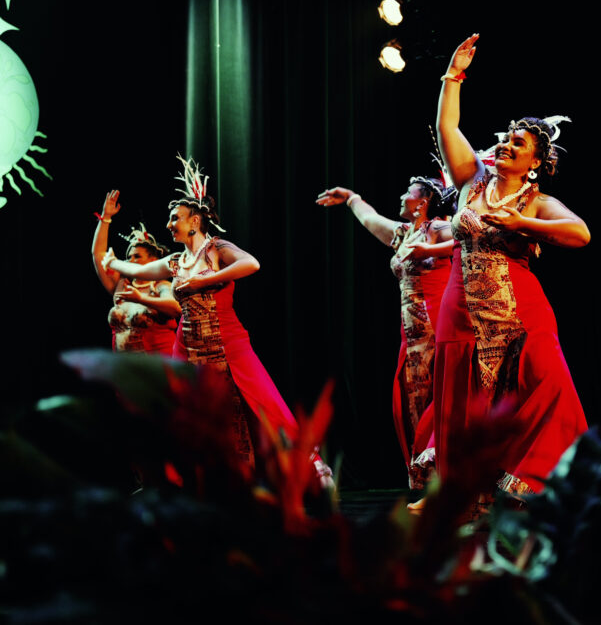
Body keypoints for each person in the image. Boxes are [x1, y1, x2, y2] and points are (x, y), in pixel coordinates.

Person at [434, 34, 590, 498]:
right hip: (462, 305)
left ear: (535, 161)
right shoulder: (471, 179)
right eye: (504, 138)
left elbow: (580, 234)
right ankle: (464, 496)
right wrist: (453, 75)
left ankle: (539, 480)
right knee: (463, 400)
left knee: (548, 383)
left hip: (521, 310)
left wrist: (523, 223)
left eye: (516, 143)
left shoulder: (537, 202)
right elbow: (447, 127)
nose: (504, 144)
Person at [103, 158, 302, 468]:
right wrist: (111, 262)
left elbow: (251, 264)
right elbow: (135, 269)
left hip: (226, 341)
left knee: (261, 404)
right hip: (189, 348)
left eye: (175, 218)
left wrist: (205, 280)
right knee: (187, 416)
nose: (169, 224)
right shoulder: (175, 262)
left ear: (194, 220)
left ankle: (301, 467)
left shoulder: (215, 249)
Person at [316, 177, 455, 490]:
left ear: (423, 202)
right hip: (412, 334)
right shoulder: (404, 233)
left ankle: (453, 481)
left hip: (438, 326)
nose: (402, 196)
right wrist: (351, 197)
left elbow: (467, 236)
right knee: (413, 403)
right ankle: (432, 483)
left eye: (408, 192)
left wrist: (431, 249)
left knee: (442, 400)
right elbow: (371, 220)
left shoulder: (437, 228)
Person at [92, 190, 180, 354]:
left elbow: (175, 308)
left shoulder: (161, 286)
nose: (130, 261)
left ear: (153, 261)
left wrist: (141, 298)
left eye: (137, 256)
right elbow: (98, 255)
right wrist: (106, 217)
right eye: (128, 257)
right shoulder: (121, 285)